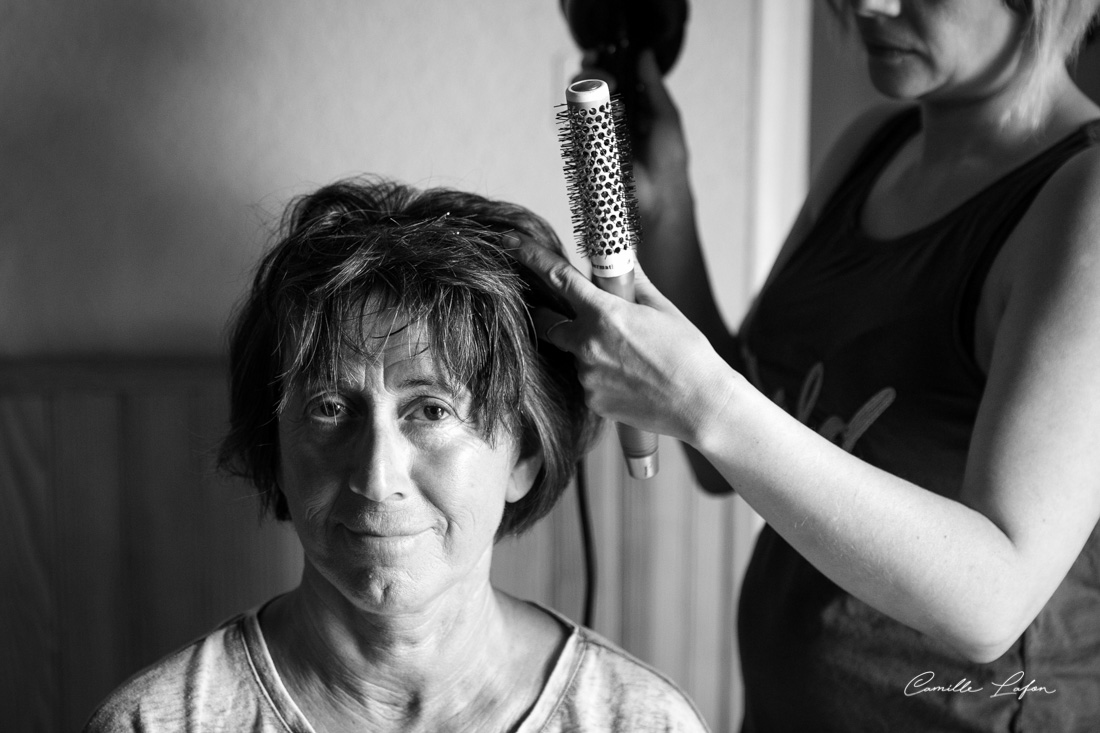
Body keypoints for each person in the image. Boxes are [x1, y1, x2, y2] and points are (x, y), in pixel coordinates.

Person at [515, 0, 1100, 730]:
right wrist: (667, 207)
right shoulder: (869, 152)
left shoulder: (1085, 202)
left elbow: (993, 604)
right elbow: (726, 446)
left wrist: (704, 400)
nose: (868, 5)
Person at [82, 177, 711, 732]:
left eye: (431, 411)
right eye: (330, 407)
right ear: (274, 449)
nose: (376, 479)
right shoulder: (153, 723)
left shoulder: (641, 721)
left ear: (523, 455)